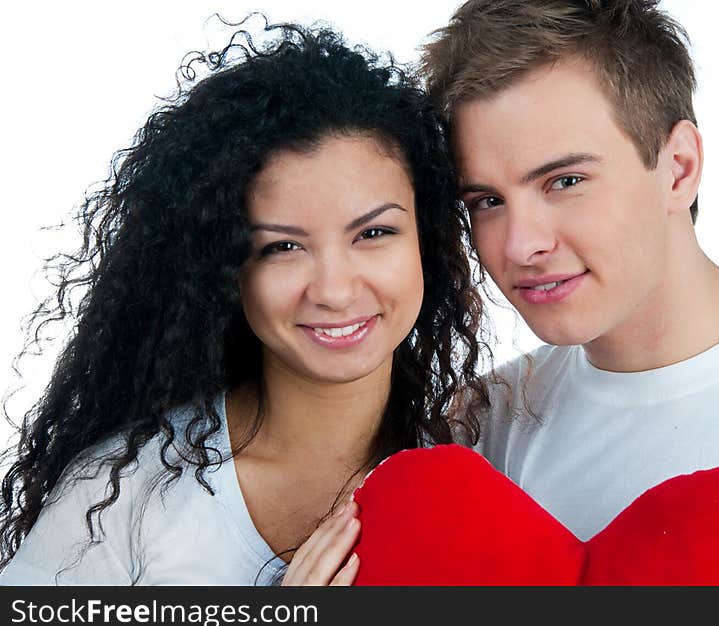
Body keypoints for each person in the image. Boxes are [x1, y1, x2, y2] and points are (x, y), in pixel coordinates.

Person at [0, 20, 489, 585]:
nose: (334, 290)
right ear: (225, 270)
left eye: (374, 234)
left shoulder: (488, 468)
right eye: (282, 247)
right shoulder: (119, 495)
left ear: (427, 238)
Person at [416, 0, 719, 585]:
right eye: (487, 201)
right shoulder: (486, 424)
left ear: (679, 169)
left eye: (565, 181)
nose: (519, 245)